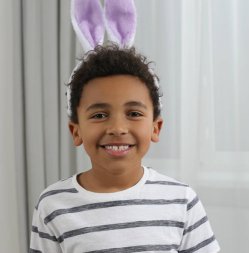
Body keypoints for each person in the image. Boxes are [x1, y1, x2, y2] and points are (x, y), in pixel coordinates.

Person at [29, 43, 220, 253]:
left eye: (134, 114)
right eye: (99, 115)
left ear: (155, 128)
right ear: (76, 132)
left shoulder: (182, 200)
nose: (117, 128)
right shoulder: (53, 205)